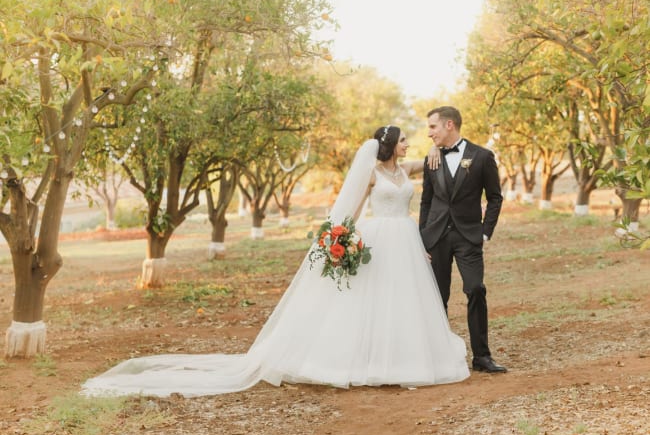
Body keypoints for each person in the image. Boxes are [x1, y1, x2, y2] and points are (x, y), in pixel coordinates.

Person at [82, 125, 469, 397]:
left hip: (404, 241)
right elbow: (347, 211)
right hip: (376, 239)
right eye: (403, 140)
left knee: (401, 301)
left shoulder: (405, 169)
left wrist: (435, 150)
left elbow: (426, 160)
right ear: (388, 145)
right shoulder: (370, 173)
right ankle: (362, 359)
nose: (408, 145)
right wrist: (340, 241)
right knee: (369, 301)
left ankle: (403, 356)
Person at [419, 106, 506, 373]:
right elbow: (426, 201)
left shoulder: (481, 156)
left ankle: (482, 356)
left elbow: (494, 198)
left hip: (469, 236)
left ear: (449, 125)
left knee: (476, 288)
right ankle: (439, 356)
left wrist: (484, 231)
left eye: (432, 127)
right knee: (437, 296)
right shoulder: (431, 159)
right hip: (436, 238)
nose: (429, 133)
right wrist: (422, 240)